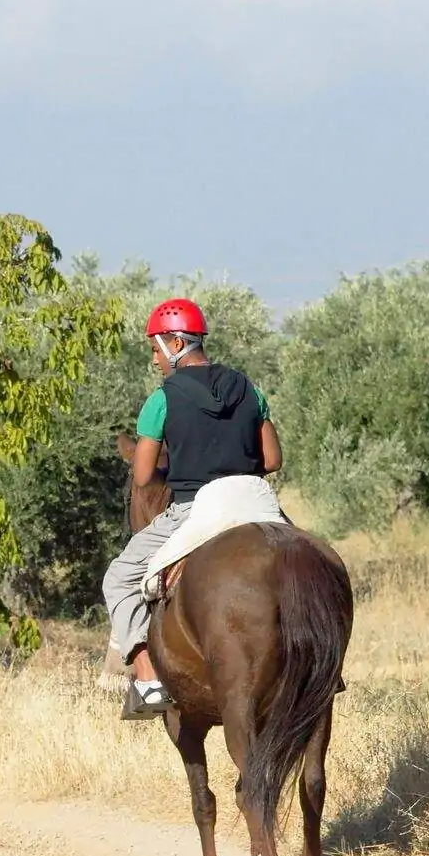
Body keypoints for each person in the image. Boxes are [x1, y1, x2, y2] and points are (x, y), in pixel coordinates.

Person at [103, 297, 281, 718]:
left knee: (119, 578)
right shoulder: (249, 389)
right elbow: (272, 460)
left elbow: (144, 476)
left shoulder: (162, 400)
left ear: (175, 342)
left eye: (154, 348)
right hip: (256, 502)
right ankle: (324, 672)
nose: (153, 359)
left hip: (195, 508)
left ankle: (146, 680)